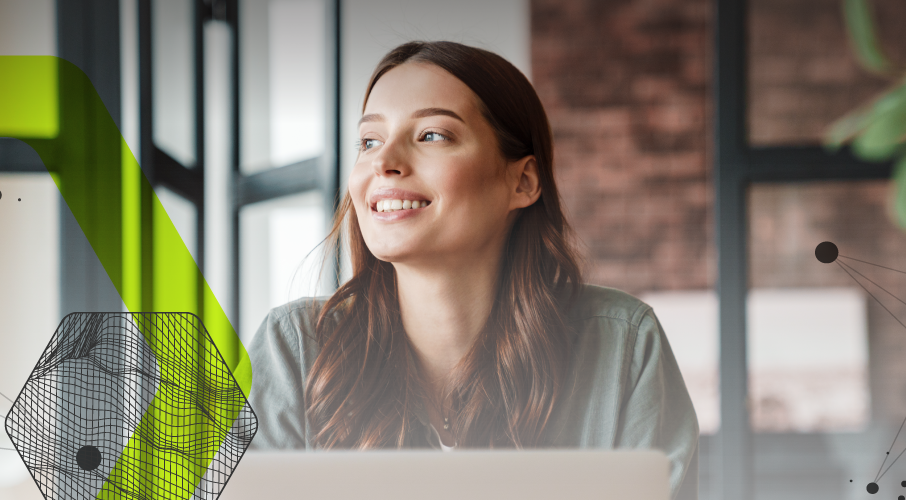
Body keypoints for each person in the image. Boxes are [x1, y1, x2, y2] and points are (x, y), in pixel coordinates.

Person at [247, 40, 699, 499]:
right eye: (369, 141)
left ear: (522, 182)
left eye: (432, 135)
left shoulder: (624, 346)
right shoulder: (294, 349)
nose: (383, 163)